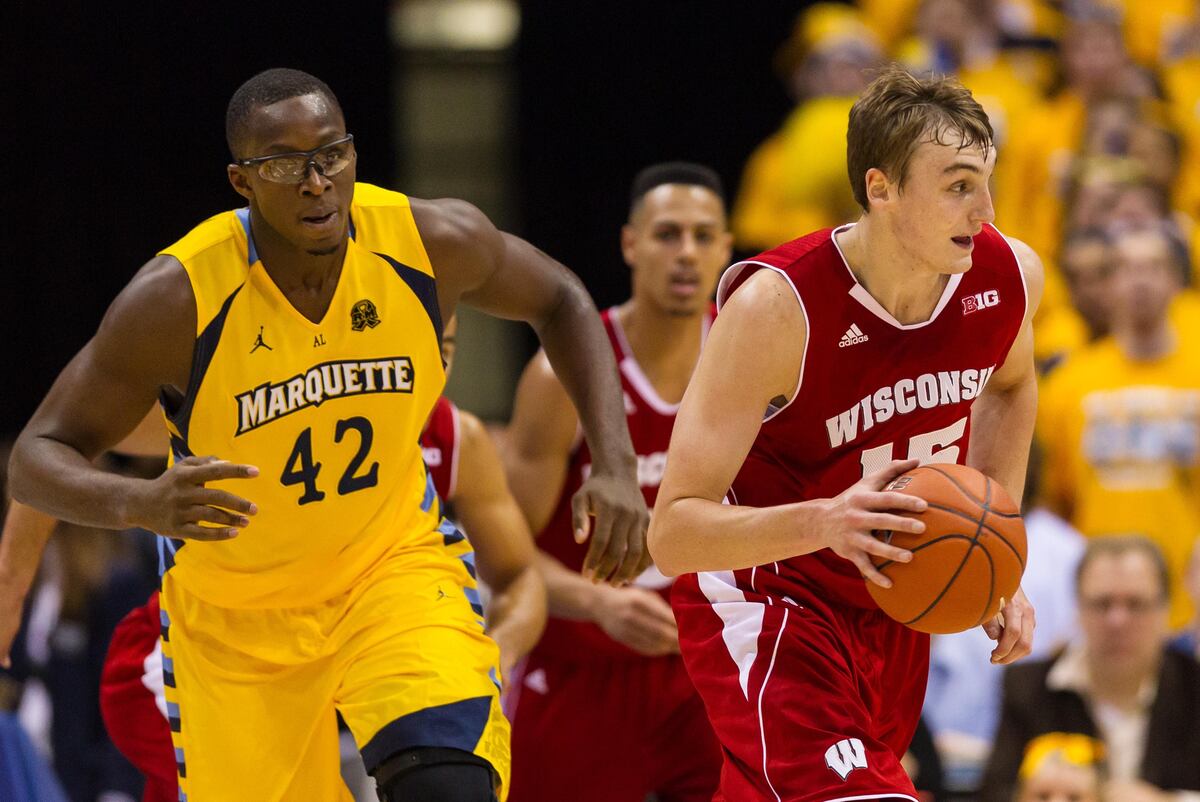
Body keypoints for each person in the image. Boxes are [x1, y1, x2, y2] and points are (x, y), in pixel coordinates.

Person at [7, 68, 647, 802]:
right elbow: (36, 457)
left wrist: (615, 462)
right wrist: (139, 505)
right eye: (284, 163)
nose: (316, 182)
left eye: (331, 154)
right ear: (242, 182)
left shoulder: (426, 240)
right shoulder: (177, 297)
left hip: (390, 572)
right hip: (238, 620)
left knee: (449, 786)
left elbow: (561, 298)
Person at [648, 67, 1042, 801]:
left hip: (894, 606)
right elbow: (671, 533)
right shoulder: (776, 308)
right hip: (772, 601)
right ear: (881, 188)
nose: (985, 209)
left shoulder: (1009, 275)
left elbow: (1013, 386)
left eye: (988, 181)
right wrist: (828, 522)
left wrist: (998, 547)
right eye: (958, 185)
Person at [93, 317, 548, 802]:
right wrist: (10, 582)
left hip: (368, 633)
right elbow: (70, 437)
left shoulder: (457, 436)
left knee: (448, 772)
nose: (431, 358)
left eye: (446, 345)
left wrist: (492, 648)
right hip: (222, 646)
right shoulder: (268, 397)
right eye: (417, 339)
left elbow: (522, 575)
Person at [502, 162, 730, 802]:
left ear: (726, 250)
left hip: (708, 671)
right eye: (667, 234)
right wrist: (598, 602)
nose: (686, 253)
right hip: (582, 671)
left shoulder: (747, 363)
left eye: (703, 236)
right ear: (631, 244)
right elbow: (504, 558)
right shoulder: (562, 376)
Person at [1038, 225, 1200, 628]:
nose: (1141, 279)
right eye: (1127, 268)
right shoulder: (1068, 384)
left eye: (1154, 266)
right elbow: (1053, 505)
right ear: (1108, 284)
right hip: (1099, 606)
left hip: (1189, 607)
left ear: (1177, 280)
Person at [980, 536, 1200, 801]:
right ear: (1078, 607)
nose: (1117, 621)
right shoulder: (1029, 685)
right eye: (1102, 604)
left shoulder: (1194, 686)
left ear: (1166, 610)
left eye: (1135, 604)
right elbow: (995, 792)